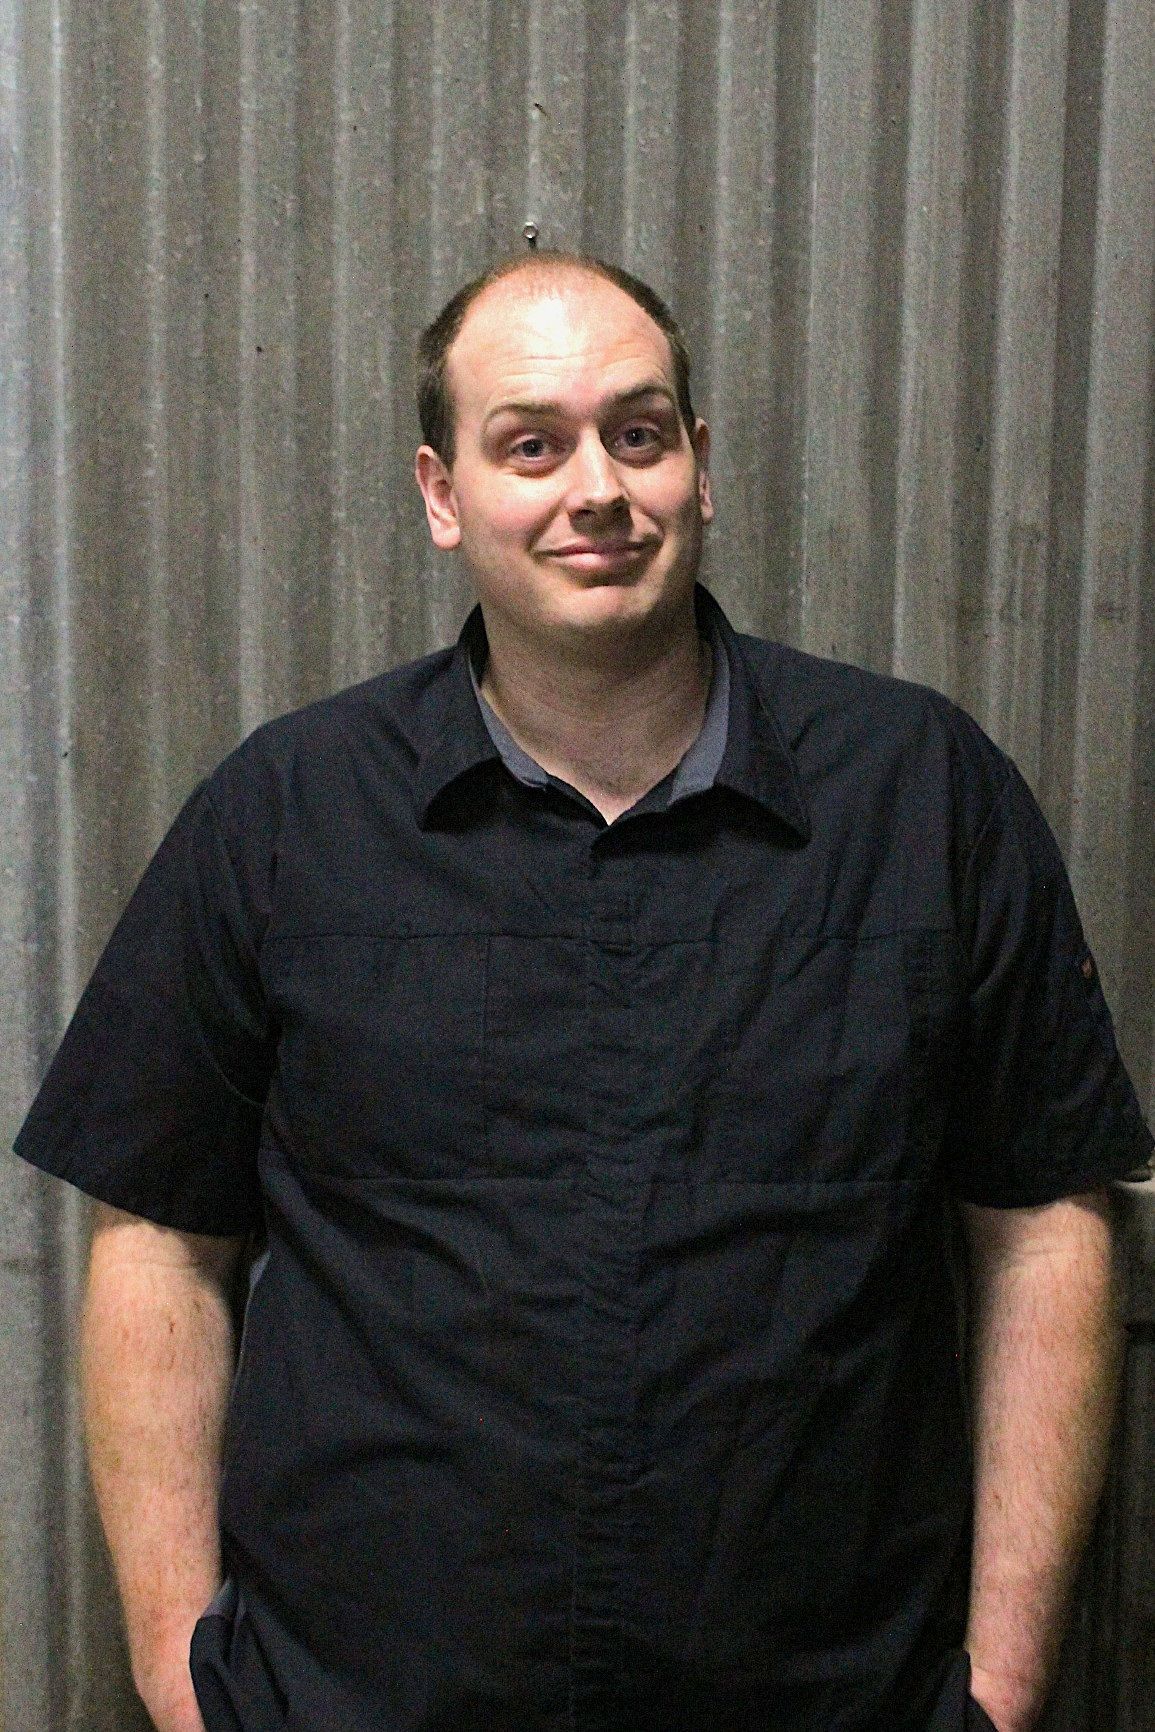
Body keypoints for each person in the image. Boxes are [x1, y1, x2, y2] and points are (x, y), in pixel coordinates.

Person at [14, 251, 1153, 1732]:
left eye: (639, 432)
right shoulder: (288, 815)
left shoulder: (921, 797)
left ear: (699, 465)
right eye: (532, 445)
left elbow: (1046, 1225)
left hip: (832, 1696)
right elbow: (159, 1240)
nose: (598, 489)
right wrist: (187, 1683)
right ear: (443, 495)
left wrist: (998, 1687)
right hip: (355, 1701)